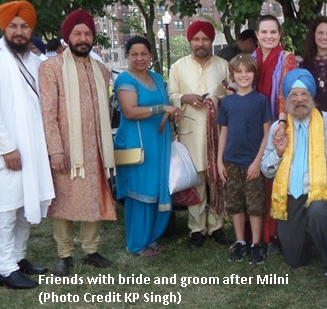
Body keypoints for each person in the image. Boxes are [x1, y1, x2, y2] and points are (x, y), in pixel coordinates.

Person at [0, 0, 55, 289]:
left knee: (25, 206)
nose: (19, 32)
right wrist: (7, 147)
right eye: (13, 26)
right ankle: (6, 268)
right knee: (7, 209)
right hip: (5, 150)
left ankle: (19, 258)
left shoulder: (35, 62)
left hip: (34, 149)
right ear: (4, 27)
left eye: (25, 27)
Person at [39, 9, 116, 275]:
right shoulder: (51, 68)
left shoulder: (101, 70)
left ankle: (91, 249)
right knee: (65, 202)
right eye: (77, 33)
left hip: (95, 148)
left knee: (94, 197)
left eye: (87, 34)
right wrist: (55, 150)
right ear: (67, 36)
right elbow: (48, 114)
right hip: (67, 149)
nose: (83, 39)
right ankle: (65, 253)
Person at [261, 69, 327, 268]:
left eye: (304, 94)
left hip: (321, 189)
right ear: (287, 99)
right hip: (291, 195)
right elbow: (266, 170)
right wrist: (279, 153)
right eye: (293, 94)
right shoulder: (278, 129)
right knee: (294, 261)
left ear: (312, 96)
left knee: (317, 212)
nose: (299, 99)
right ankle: (306, 235)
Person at [114, 36, 180, 256]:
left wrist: (171, 114)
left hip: (160, 142)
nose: (139, 58)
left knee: (159, 187)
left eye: (144, 54)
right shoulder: (125, 79)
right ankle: (136, 244)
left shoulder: (157, 78)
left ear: (150, 55)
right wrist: (162, 109)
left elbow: (166, 106)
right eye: (134, 54)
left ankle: (152, 238)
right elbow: (130, 112)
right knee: (140, 192)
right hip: (137, 145)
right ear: (127, 55)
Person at [168, 20, 232, 249]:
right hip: (191, 133)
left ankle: (216, 226)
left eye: (205, 39)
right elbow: (170, 94)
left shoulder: (223, 66)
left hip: (217, 133)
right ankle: (196, 229)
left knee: (217, 179)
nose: (200, 43)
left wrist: (216, 100)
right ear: (190, 42)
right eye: (196, 39)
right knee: (196, 180)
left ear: (211, 41)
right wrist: (184, 98)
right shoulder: (178, 67)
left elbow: (232, 94)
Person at [216, 54, 272, 264]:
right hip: (231, 161)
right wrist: (220, 160)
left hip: (252, 163)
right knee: (235, 204)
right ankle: (240, 242)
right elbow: (223, 132)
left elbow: (267, 133)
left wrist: (257, 161)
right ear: (232, 75)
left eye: (248, 71)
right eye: (238, 72)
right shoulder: (227, 102)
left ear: (254, 74)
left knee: (255, 204)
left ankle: (256, 244)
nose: (243, 75)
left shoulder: (260, 101)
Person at [252, 14, 298, 252]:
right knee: (256, 177)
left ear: (280, 35)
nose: (268, 36)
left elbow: (286, 92)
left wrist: (281, 121)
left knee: (274, 175)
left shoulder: (286, 59)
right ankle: (255, 232)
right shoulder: (251, 59)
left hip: (279, 122)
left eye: (273, 32)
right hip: (253, 123)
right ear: (257, 35)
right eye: (264, 32)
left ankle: (274, 235)